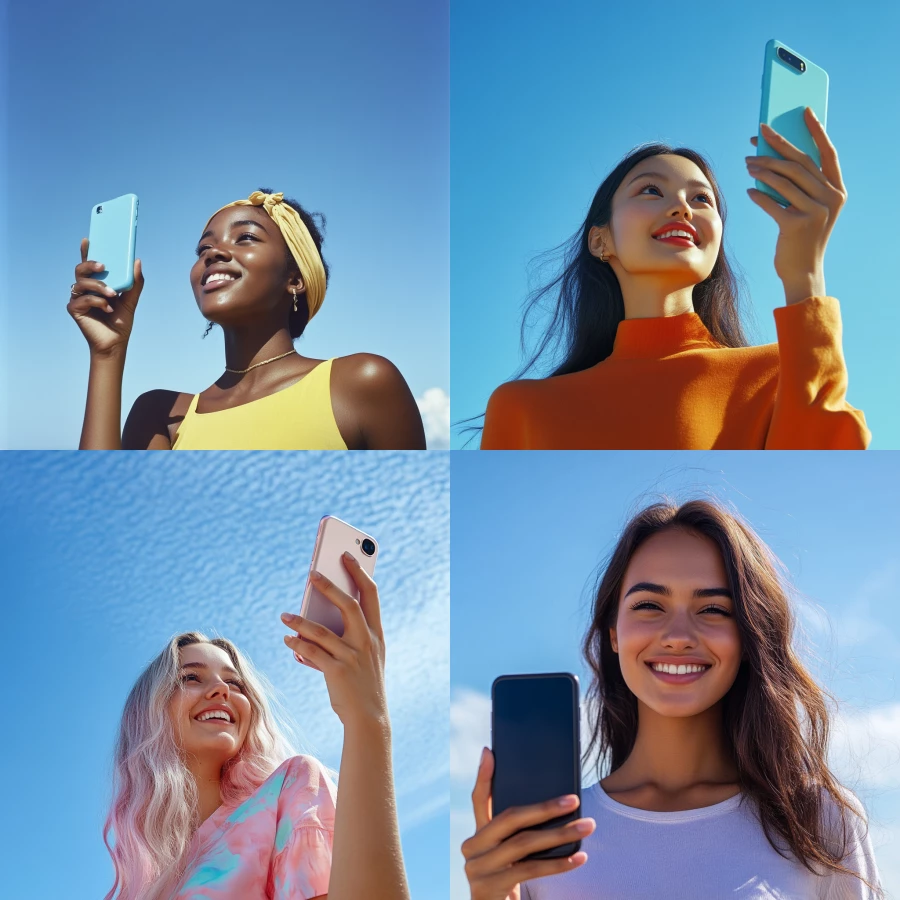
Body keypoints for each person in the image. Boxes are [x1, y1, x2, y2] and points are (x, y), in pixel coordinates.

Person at [462, 500, 884, 899]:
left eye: (714, 609)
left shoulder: (819, 820)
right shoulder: (546, 837)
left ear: (749, 633)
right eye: (649, 605)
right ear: (613, 632)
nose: (679, 636)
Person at [477, 110, 869, 449]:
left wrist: (805, 272)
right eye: (651, 190)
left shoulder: (781, 375)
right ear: (601, 240)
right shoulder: (523, 408)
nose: (682, 207)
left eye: (702, 199)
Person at [102, 554, 409, 900]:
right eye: (190, 678)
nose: (221, 690)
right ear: (147, 713)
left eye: (235, 683)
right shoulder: (149, 886)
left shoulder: (293, 790)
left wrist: (367, 719)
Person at [69, 189, 426, 449]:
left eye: (246, 238)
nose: (215, 254)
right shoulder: (159, 414)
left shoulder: (362, 383)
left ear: (295, 278)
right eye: (203, 249)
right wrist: (107, 354)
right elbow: (96, 509)